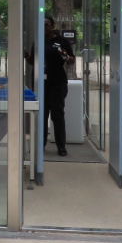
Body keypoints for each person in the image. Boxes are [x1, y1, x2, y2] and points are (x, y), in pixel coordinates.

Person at [27, 16, 75, 157]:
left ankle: (61, 147)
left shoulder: (61, 41)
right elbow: (32, 61)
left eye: (47, 24)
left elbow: (71, 60)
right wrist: (26, 57)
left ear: (53, 26)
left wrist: (65, 55)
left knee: (57, 115)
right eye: (42, 25)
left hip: (57, 83)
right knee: (41, 115)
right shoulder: (38, 42)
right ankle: (40, 145)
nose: (44, 27)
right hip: (41, 83)